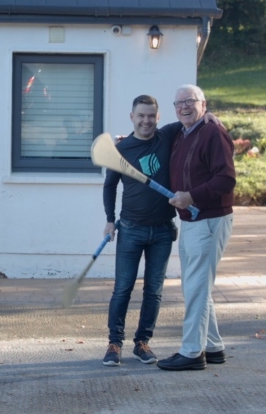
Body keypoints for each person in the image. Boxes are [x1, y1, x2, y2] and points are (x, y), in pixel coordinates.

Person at [101, 95, 220, 367]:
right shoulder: (122, 148)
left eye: (151, 116)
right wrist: (110, 220)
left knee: (153, 291)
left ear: (158, 117)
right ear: (132, 117)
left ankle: (142, 343)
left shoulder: (168, 135)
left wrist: (211, 115)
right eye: (141, 115)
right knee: (123, 289)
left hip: (163, 231)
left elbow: (195, 118)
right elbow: (110, 186)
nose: (146, 121)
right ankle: (114, 344)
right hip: (130, 229)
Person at [156, 84, 236, 371]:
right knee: (196, 286)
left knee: (196, 288)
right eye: (178, 104)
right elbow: (153, 133)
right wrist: (127, 140)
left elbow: (226, 179)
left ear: (203, 104)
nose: (183, 107)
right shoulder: (181, 132)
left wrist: (191, 196)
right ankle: (213, 347)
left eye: (189, 101)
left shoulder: (213, 132)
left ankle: (191, 352)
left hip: (209, 219)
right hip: (191, 220)